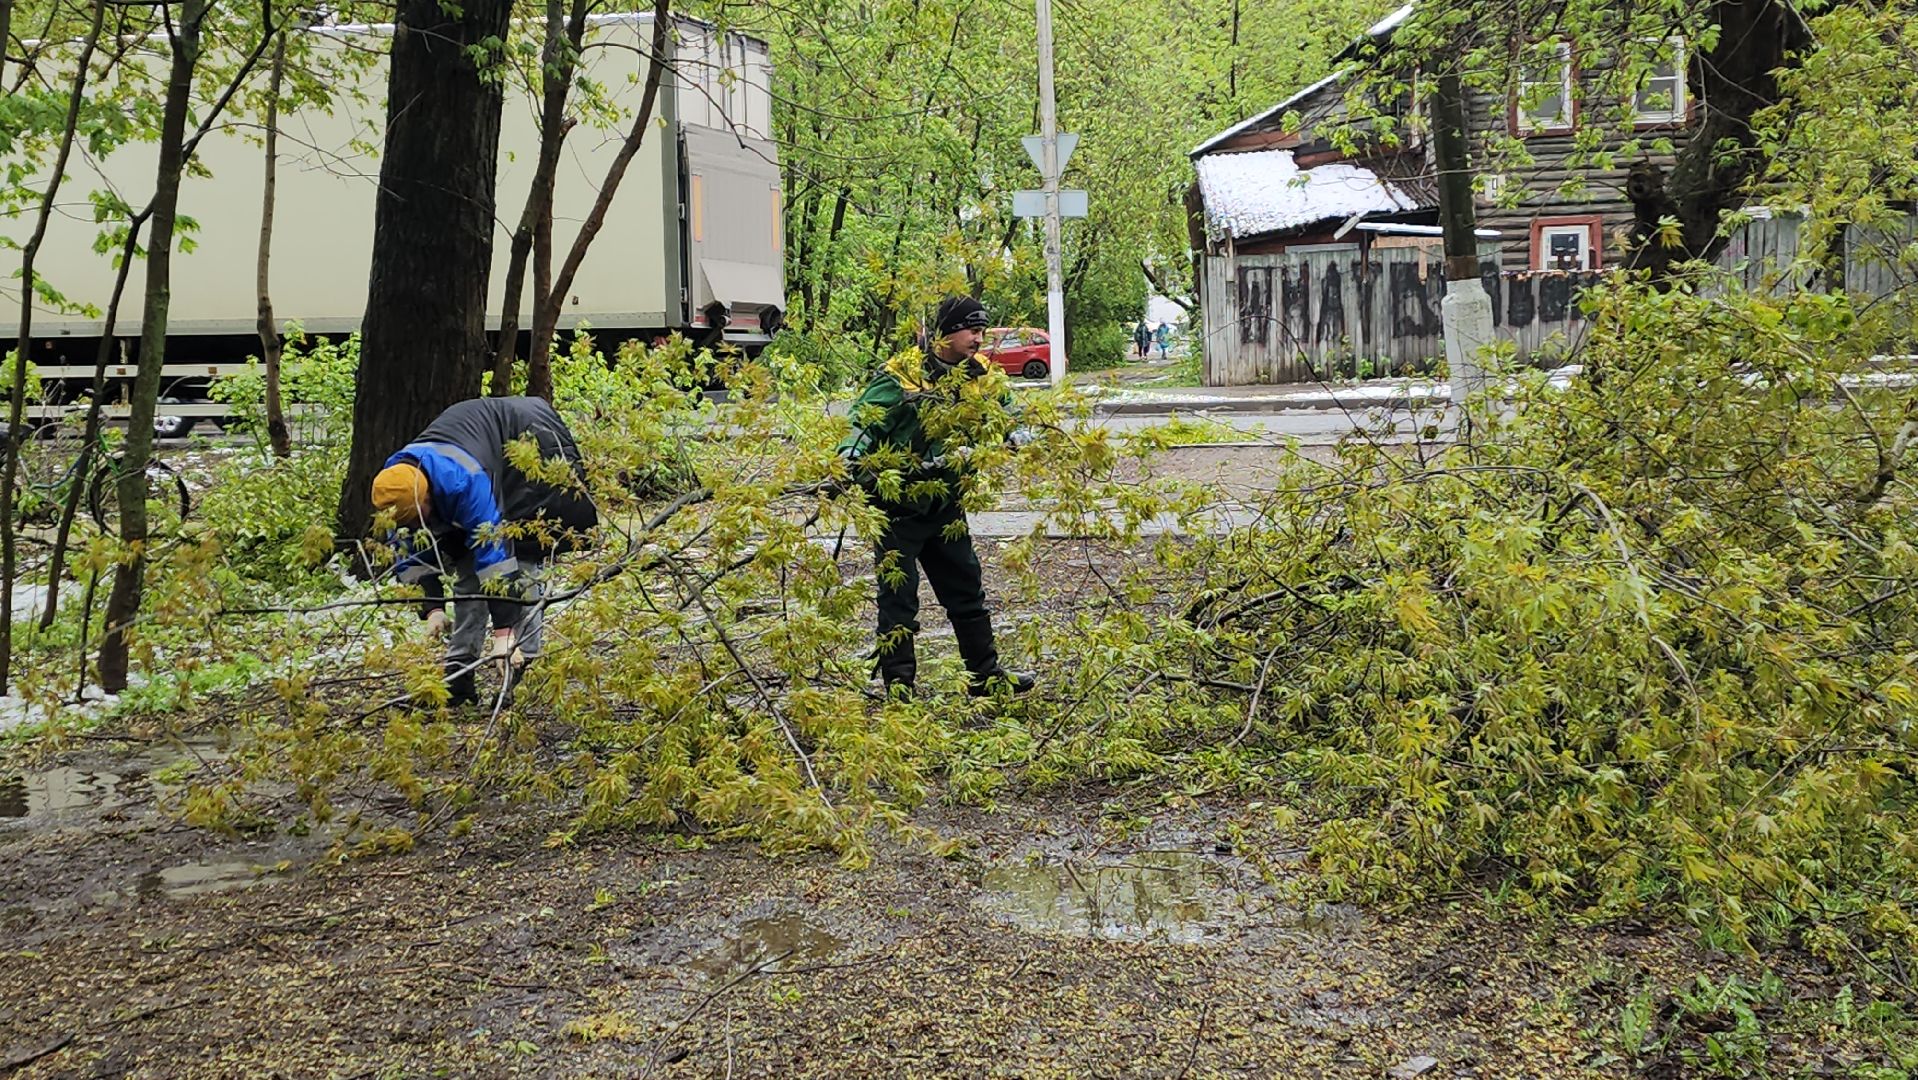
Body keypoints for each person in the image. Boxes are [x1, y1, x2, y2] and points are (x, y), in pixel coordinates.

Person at [840, 296, 1035, 698]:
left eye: (982, 330)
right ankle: (899, 686)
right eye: (972, 330)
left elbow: (1008, 409)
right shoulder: (902, 375)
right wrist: (849, 455)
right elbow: (863, 421)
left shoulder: (980, 373)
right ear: (946, 331)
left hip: (946, 503)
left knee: (967, 591)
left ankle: (985, 676)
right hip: (897, 507)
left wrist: (1018, 430)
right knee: (898, 600)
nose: (979, 339)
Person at [371, 396, 598, 706]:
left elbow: (494, 554)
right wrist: (433, 607)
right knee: (468, 575)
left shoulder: (465, 481)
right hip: (482, 448)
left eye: (419, 515)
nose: (417, 522)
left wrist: (503, 633)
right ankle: (459, 679)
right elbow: (408, 548)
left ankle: (520, 671)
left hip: (528, 450)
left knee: (524, 564)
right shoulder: (394, 487)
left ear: (426, 497)